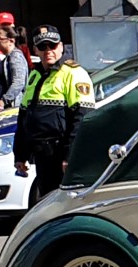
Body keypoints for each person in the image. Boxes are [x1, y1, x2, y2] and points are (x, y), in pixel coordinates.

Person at [13, 24, 95, 197]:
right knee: (48, 203)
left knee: (65, 204)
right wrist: (20, 154)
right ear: (35, 50)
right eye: (43, 46)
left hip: (60, 155)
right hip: (43, 156)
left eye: (53, 45)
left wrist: (70, 155)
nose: (48, 50)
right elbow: (24, 117)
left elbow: (82, 119)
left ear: (61, 47)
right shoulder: (35, 75)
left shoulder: (73, 73)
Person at [0, 26, 28, 113]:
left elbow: (18, 83)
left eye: (0, 38)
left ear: (11, 41)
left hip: (13, 108)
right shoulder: (8, 57)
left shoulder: (15, 56)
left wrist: (1, 103)